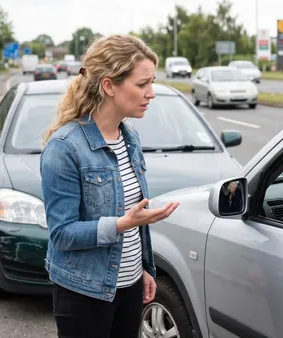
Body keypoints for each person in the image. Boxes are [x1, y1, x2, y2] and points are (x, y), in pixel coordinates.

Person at [40, 35, 180, 338]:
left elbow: (132, 216)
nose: (151, 93)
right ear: (109, 86)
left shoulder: (129, 139)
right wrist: (122, 224)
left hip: (129, 287)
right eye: (142, 84)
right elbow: (62, 234)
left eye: (151, 83)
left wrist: (141, 269)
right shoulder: (65, 147)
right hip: (84, 292)